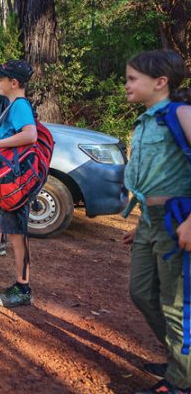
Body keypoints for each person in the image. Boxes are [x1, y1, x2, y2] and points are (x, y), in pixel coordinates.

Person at [121, 50, 191, 394]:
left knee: (176, 304)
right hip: (150, 221)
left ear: (160, 82)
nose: (126, 85)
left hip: (177, 221)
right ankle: (182, 361)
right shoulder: (147, 120)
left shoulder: (180, 113)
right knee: (141, 292)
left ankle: (181, 382)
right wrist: (141, 223)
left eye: (132, 79)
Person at [0, 60, 36, 308]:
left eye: (1, 79)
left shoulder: (20, 105)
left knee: (16, 234)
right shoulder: (12, 105)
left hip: (13, 183)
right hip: (4, 180)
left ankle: (23, 288)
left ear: (13, 83)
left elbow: (30, 135)